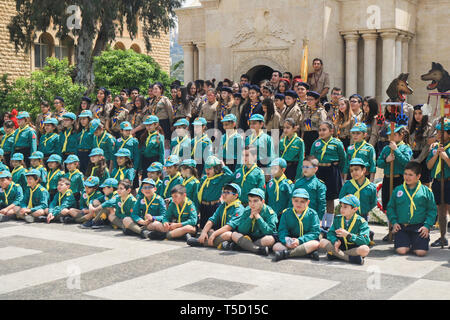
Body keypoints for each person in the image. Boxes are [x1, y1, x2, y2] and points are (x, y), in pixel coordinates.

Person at [386, 161, 437, 256]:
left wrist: (427, 226)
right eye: (405, 174)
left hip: (419, 227)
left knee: (421, 252)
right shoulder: (398, 190)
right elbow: (391, 208)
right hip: (402, 226)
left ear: (418, 176)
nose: (407, 177)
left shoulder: (426, 191)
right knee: (401, 251)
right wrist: (394, 222)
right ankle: (405, 242)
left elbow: (432, 210)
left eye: (410, 175)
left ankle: (414, 243)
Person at [187, 183, 244, 249]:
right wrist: (203, 232)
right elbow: (212, 220)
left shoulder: (238, 208)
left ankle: (200, 242)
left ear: (235, 196)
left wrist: (214, 234)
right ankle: (225, 244)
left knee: (227, 234)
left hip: (234, 234)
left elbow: (229, 227)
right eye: (223, 192)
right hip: (222, 232)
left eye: (228, 192)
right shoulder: (223, 206)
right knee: (209, 230)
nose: (224, 194)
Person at [222, 188, 277, 256]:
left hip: (261, 238)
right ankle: (256, 249)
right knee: (234, 234)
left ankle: (241, 246)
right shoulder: (247, 210)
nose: (252, 204)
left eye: (255, 201)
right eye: (250, 201)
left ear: (262, 201)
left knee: (270, 239)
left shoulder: (269, 212)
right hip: (249, 237)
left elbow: (269, 231)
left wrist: (258, 216)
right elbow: (241, 230)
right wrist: (250, 217)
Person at [319, 195, 370, 265]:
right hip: (339, 247)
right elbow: (330, 233)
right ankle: (351, 258)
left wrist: (348, 235)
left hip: (353, 248)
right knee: (322, 242)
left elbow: (365, 240)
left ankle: (336, 255)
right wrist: (335, 241)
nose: (342, 209)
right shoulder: (338, 219)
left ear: (355, 209)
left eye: (345, 207)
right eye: (341, 206)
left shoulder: (361, 222)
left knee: (365, 249)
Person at [272, 188, 321, 262]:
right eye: (296, 201)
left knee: (315, 244)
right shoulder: (286, 213)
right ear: (292, 201)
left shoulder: (312, 214)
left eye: (302, 201)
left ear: (308, 202)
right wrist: (287, 242)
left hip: (306, 241)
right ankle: (306, 253)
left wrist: (300, 240)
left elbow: (315, 232)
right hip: (291, 241)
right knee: (276, 247)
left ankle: (287, 254)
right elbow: (282, 230)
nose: (298, 204)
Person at [310, 121, 347, 216]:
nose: (321, 132)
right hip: (319, 171)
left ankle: (329, 224)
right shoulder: (316, 143)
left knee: (330, 199)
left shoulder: (337, 143)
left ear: (331, 131)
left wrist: (341, 173)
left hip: (331, 171)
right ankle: (319, 220)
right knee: (318, 197)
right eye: (320, 130)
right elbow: (311, 158)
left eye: (324, 130)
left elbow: (343, 159)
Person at [339, 158, 377, 245]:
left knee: (362, 229)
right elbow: (342, 198)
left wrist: (366, 209)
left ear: (363, 170)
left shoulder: (371, 187)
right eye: (351, 171)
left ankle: (368, 235)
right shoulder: (348, 185)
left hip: (363, 214)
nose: (353, 173)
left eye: (356, 169)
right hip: (349, 214)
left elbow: (373, 202)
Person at [376, 125, 413, 212]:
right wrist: (386, 160)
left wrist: (396, 150)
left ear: (401, 135)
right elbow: (379, 163)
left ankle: (398, 225)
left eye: (394, 135)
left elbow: (406, 162)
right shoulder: (386, 148)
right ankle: (390, 225)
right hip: (387, 179)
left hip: (399, 180)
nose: (391, 137)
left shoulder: (406, 148)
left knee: (399, 206)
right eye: (389, 135)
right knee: (388, 206)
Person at [426, 118, 450, 248]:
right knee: (440, 210)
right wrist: (436, 155)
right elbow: (429, 166)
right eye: (438, 132)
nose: (438, 135)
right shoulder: (435, 147)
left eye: (441, 132)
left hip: (448, 181)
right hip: (437, 181)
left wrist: (445, 157)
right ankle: (442, 236)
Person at [197, 156, 234, 229]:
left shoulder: (220, 178)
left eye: (210, 169)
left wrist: (223, 166)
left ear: (216, 169)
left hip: (214, 207)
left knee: (214, 227)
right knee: (203, 227)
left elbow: (231, 176)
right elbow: (199, 193)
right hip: (204, 206)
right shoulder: (204, 179)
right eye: (206, 168)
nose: (207, 170)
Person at [294, 156, 327, 222]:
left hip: (311, 217)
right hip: (296, 215)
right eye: (303, 166)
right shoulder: (298, 182)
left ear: (315, 169)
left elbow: (322, 203)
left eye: (307, 167)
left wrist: (319, 218)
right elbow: (291, 199)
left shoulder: (319, 184)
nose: (304, 169)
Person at [409, 105, 432, 186]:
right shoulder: (412, 127)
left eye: (420, 113)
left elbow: (427, 146)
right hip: (413, 156)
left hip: (424, 157)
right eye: (415, 114)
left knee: (425, 184)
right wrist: (411, 158)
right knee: (413, 183)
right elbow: (409, 144)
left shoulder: (429, 127)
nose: (417, 116)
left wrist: (418, 160)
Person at [301, 91, 327, 155]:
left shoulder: (320, 111)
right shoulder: (306, 111)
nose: (309, 101)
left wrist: (320, 138)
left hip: (316, 135)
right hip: (307, 135)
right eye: (307, 99)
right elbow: (303, 126)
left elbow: (323, 125)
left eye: (311, 99)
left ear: (316, 100)